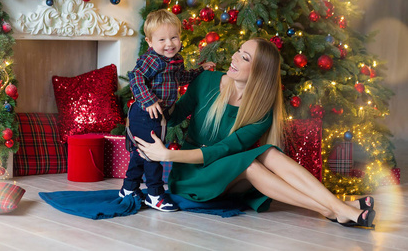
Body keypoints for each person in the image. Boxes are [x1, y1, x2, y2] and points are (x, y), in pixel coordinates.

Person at [134, 38, 376, 228]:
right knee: (250, 166)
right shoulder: (206, 80)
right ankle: (335, 209)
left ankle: (336, 209)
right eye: (239, 51)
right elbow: (173, 116)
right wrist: (152, 95)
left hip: (222, 166)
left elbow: (223, 150)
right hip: (190, 174)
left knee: (268, 153)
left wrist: (167, 155)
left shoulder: (261, 111)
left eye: (244, 57)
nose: (234, 58)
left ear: (259, 71)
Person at [119, 9, 215, 212]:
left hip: (157, 116)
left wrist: (200, 71)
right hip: (144, 113)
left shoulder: (175, 60)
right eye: (162, 39)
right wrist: (148, 100)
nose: (169, 44)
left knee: (142, 151)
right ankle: (154, 194)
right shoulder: (152, 60)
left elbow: (181, 78)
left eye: (174, 37)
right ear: (150, 42)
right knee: (153, 153)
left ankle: (128, 188)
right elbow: (136, 76)